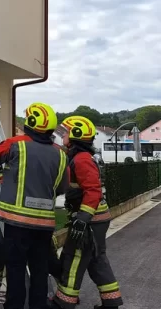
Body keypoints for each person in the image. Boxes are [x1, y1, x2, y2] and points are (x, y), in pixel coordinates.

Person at [0, 102, 68, 309]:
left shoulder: (17, 144)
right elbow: (61, 187)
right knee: (39, 270)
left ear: (30, 122)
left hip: (17, 222)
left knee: (15, 270)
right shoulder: (60, 154)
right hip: (44, 225)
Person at [51, 116, 123, 309]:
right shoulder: (80, 157)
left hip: (90, 221)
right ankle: (111, 302)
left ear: (75, 135)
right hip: (96, 219)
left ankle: (63, 303)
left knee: (73, 258)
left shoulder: (81, 159)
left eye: (66, 132)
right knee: (96, 260)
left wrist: (83, 218)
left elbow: (93, 191)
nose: (63, 135)